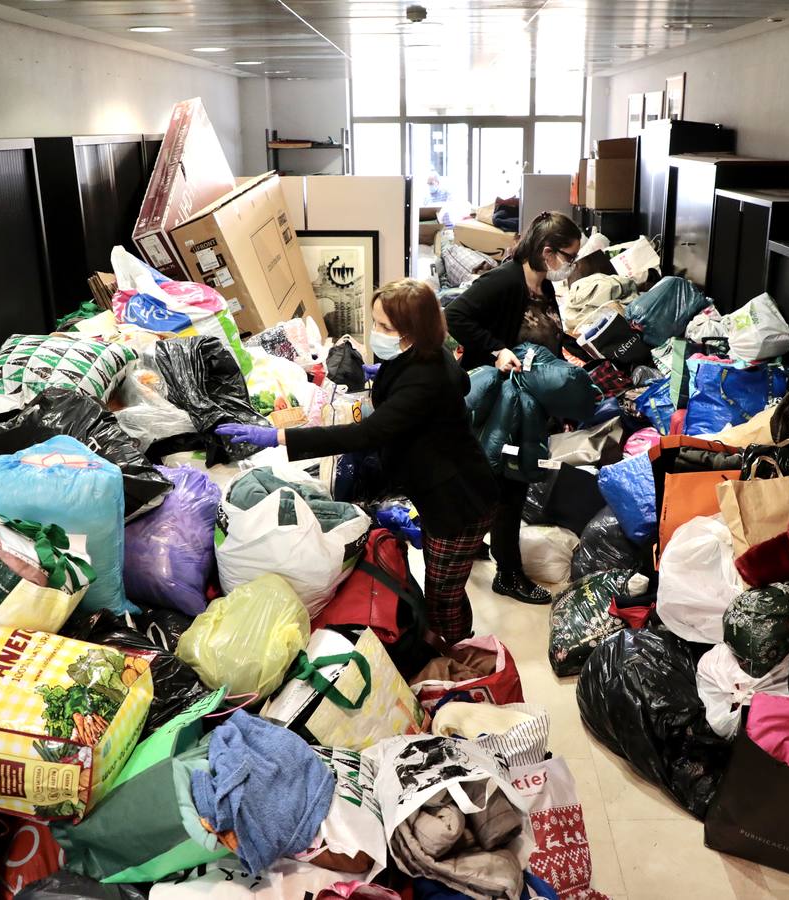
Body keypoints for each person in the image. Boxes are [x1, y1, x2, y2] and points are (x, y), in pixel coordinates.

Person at [216, 279, 499, 646]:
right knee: (443, 582)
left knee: (444, 593)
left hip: (459, 504)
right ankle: (449, 643)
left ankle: (461, 656)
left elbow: (364, 435)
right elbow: (431, 379)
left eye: (385, 327)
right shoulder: (425, 352)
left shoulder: (426, 380)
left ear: (413, 331)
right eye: (376, 322)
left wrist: (278, 436)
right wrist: (382, 377)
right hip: (444, 489)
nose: (376, 333)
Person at [444, 210, 583, 605]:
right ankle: (508, 574)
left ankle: (471, 542)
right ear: (546, 251)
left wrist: (567, 360)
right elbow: (455, 316)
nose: (568, 267)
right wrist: (496, 349)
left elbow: (548, 330)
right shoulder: (505, 281)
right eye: (567, 258)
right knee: (511, 485)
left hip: (525, 400)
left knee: (495, 480)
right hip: (498, 400)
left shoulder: (543, 286)